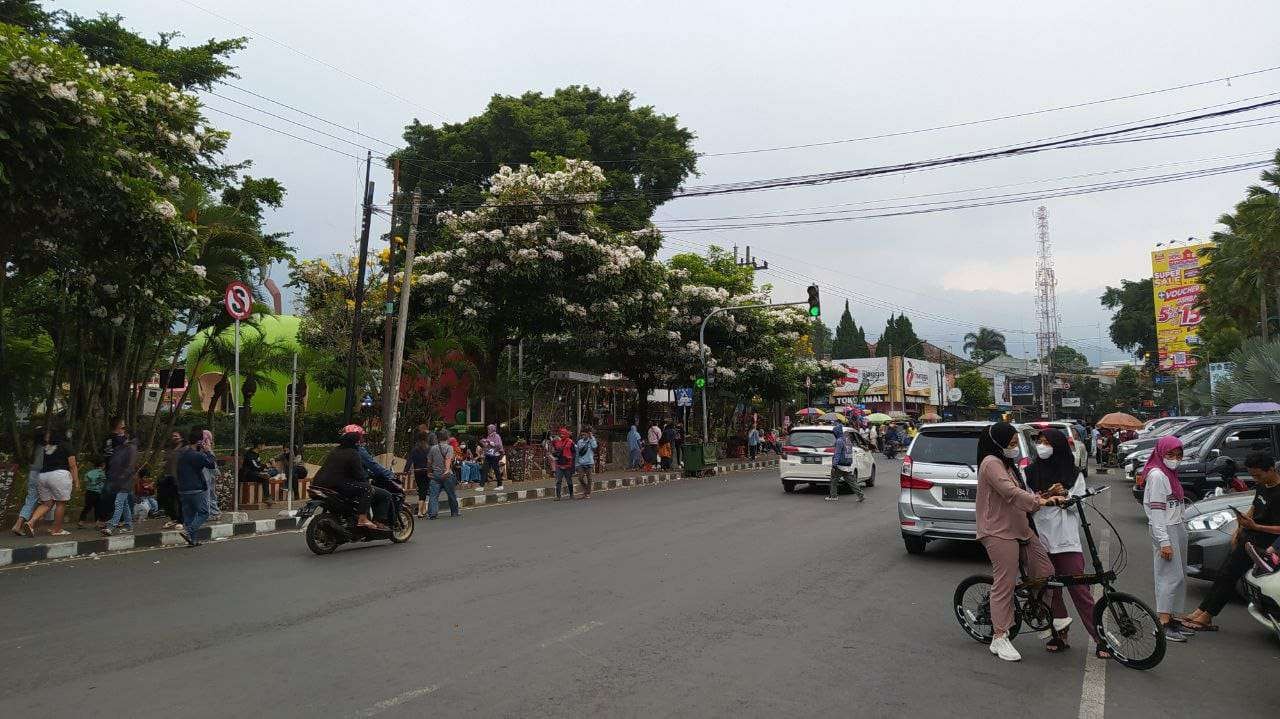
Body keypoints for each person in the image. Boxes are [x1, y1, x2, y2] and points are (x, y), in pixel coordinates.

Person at [975, 422, 1063, 662]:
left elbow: (1019, 492)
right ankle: (999, 636)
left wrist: (1044, 495)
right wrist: (1041, 503)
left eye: (1016, 444)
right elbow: (1010, 493)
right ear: (998, 444)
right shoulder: (991, 463)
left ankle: (1038, 614)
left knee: (1045, 571)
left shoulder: (1007, 464)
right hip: (998, 531)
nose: (1015, 448)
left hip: (1020, 527)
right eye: (1012, 444)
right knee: (1005, 582)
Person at [1027, 429, 1108, 658]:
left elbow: (1076, 504)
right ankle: (1058, 634)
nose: (1041, 447)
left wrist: (1065, 498)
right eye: (1039, 442)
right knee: (1050, 591)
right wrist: (1046, 495)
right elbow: (1027, 501)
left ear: (1059, 446)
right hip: (1040, 538)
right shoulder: (1030, 472)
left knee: (1079, 590)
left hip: (1066, 540)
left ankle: (1099, 638)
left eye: (1046, 443)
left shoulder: (1074, 474)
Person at [1183, 451, 1280, 631]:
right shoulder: (1262, 485)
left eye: (1258, 475)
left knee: (1229, 577)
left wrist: (1256, 527)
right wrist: (1239, 528)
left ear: (1271, 470)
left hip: (1263, 544)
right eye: (1252, 475)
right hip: (1247, 537)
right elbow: (1253, 507)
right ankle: (1201, 610)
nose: (1255, 479)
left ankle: (1207, 616)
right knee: (1224, 575)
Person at [1142, 435, 1192, 642]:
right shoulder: (1157, 475)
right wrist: (1164, 541)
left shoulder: (1169, 473)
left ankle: (1171, 617)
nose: (1175, 458)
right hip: (1165, 529)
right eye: (1170, 454)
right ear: (1161, 453)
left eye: (1178, 454)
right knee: (1168, 576)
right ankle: (1162, 622)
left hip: (1175, 527)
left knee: (1178, 576)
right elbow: (1156, 511)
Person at [312, 429, 383, 531]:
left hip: (318, 483)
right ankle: (362, 518)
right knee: (367, 488)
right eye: (359, 441)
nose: (360, 443)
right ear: (355, 442)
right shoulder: (353, 453)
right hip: (336, 484)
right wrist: (366, 479)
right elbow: (359, 475)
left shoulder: (335, 451)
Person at [23, 429, 80, 537]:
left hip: (43, 476)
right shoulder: (66, 445)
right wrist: (76, 481)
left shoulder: (47, 448)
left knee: (47, 504)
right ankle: (56, 530)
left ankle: (31, 522)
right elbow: (72, 465)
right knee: (60, 503)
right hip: (59, 475)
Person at [176, 427, 217, 546]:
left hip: (183, 490)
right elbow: (212, 464)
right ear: (200, 442)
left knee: (190, 515)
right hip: (196, 489)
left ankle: (192, 541)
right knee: (204, 513)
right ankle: (189, 531)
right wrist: (208, 450)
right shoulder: (197, 455)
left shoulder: (183, 454)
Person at [348, 425, 394, 525]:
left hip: (341, 485)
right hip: (356, 484)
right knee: (385, 495)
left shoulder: (340, 450)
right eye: (361, 436)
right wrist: (389, 474)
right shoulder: (359, 451)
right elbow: (373, 465)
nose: (362, 439)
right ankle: (378, 522)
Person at [101, 431, 138, 536]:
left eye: (123, 435)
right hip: (120, 479)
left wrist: (122, 476)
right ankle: (128, 525)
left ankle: (111, 526)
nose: (121, 436)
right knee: (124, 503)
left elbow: (130, 465)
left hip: (125, 480)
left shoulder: (131, 448)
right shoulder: (123, 448)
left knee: (119, 502)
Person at [426, 429, 459, 519]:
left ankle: (432, 514)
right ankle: (454, 512)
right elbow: (448, 459)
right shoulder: (449, 448)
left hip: (435, 475)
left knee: (433, 495)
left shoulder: (433, 448)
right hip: (447, 475)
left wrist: (429, 472)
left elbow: (429, 462)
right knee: (451, 494)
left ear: (438, 438)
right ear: (447, 438)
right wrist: (447, 469)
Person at [827, 424, 864, 503]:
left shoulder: (839, 441)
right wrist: (849, 462)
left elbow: (837, 453)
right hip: (847, 464)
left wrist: (834, 464)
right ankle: (860, 495)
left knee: (833, 480)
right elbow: (849, 453)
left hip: (839, 464)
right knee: (852, 481)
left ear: (836, 433)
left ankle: (833, 496)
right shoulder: (847, 440)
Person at [405, 432, 435, 518]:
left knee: (421, 490)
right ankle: (420, 512)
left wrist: (406, 471)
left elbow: (409, 461)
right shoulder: (429, 449)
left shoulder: (415, 449)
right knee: (423, 491)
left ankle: (423, 510)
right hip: (427, 471)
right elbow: (431, 461)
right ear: (426, 439)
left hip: (417, 472)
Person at [159, 432, 184, 530]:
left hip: (179, 477)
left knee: (179, 499)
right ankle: (174, 517)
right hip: (168, 476)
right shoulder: (169, 449)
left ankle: (181, 519)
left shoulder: (184, 449)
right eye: (173, 436)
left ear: (181, 438)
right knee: (165, 498)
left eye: (176, 436)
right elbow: (165, 462)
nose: (174, 438)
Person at [241, 439, 273, 507]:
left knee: (268, 475)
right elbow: (256, 466)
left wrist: (265, 468)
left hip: (255, 472)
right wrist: (266, 465)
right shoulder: (249, 454)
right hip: (248, 474)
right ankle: (267, 498)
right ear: (259, 445)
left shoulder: (257, 454)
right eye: (264, 445)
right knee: (264, 476)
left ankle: (267, 497)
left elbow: (259, 465)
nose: (265, 447)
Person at [76, 456, 106, 529]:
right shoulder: (102, 473)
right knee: (98, 508)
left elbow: (86, 481)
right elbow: (104, 482)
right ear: (103, 465)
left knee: (87, 507)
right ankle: (98, 524)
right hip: (98, 493)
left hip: (89, 492)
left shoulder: (88, 473)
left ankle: (81, 522)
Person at [478, 424, 505, 492]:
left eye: (489, 429)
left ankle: (500, 485)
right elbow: (487, 446)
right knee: (484, 469)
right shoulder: (489, 436)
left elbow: (499, 445)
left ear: (492, 429)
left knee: (496, 470)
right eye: (488, 429)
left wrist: (490, 443)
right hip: (489, 455)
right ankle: (481, 486)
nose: (488, 430)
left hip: (495, 455)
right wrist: (484, 442)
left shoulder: (497, 436)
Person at [552, 427, 576, 500]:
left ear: (566, 434)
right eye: (560, 434)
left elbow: (574, 452)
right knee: (558, 481)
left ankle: (571, 494)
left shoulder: (570, 442)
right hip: (559, 464)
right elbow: (555, 450)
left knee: (569, 480)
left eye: (563, 434)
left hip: (567, 464)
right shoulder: (557, 441)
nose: (562, 435)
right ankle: (558, 496)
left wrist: (571, 461)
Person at [575, 426, 598, 499]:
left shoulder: (591, 440)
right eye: (582, 435)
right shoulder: (579, 442)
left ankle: (587, 493)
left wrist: (591, 438)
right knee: (580, 478)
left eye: (584, 434)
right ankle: (586, 489)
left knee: (589, 478)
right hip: (581, 463)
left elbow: (594, 447)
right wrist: (576, 463)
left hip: (589, 463)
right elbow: (577, 453)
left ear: (588, 434)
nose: (583, 436)